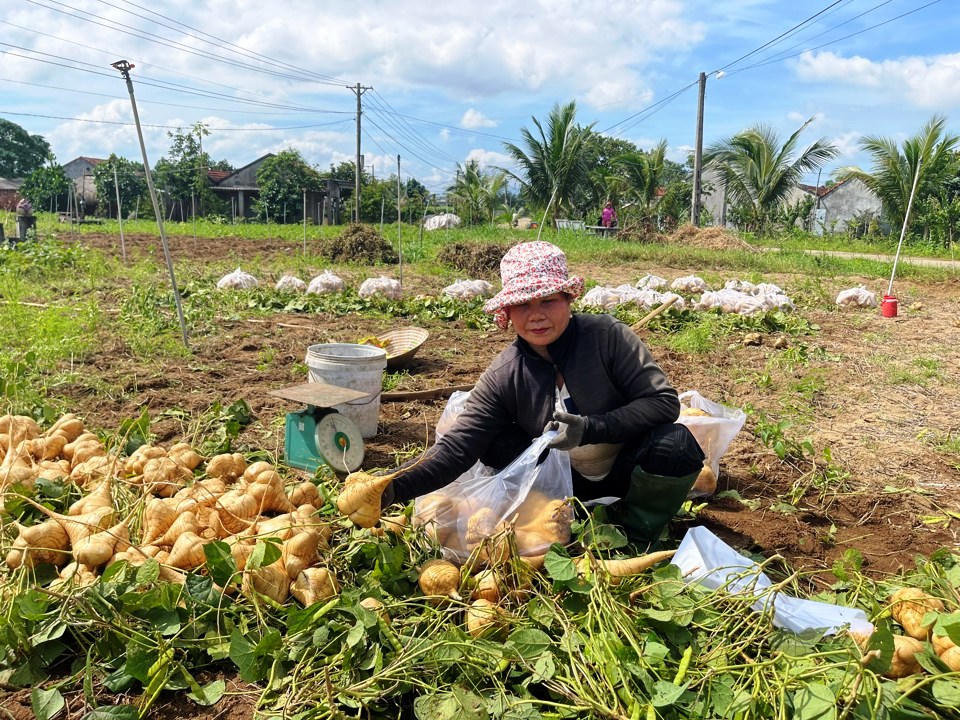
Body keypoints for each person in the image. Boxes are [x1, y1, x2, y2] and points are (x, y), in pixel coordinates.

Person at [379, 241, 704, 546]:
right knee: (491, 441)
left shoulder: (607, 338)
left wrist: (591, 428)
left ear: (567, 299)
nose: (536, 315)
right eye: (522, 304)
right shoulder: (507, 371)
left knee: (676, 446)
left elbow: (662, 403)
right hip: (557, 487)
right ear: (507, 310)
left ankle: (633, 533)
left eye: (548, 301)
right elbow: (456, 447)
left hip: (624, 470)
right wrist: (391, 486)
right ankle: (556, 523)